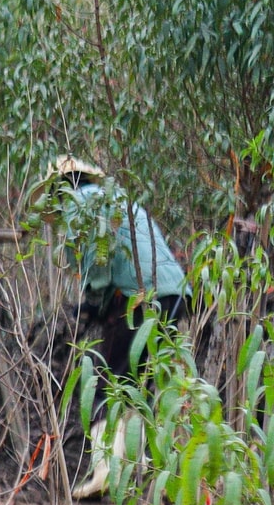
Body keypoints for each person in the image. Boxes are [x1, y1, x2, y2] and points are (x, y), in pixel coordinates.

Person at [47, 156, 189, 384]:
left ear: (56, 192)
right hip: (175, 294)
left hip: (139, 300)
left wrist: (93, 302)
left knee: (113, 389)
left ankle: (105, 420)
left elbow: (96, 258)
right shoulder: (117, 199)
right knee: (144, 385)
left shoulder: (76, 203)